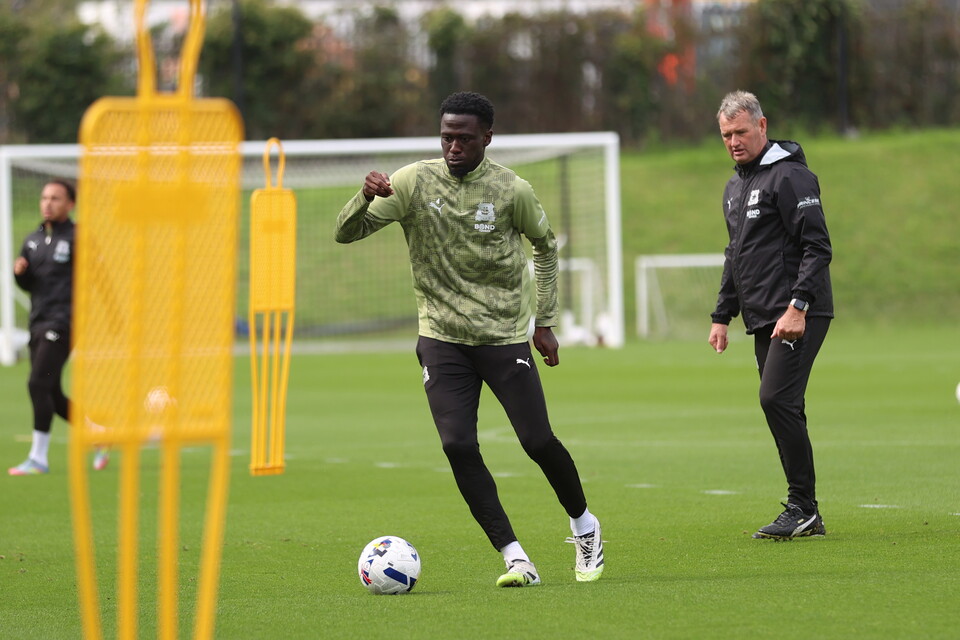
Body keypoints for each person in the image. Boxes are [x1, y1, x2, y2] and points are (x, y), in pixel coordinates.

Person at [335, 91, 603, 586]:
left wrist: (544, 322)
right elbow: (344, 234)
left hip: (502, 336)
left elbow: (545, 248)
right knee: (458, 444)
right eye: (447, 136)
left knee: (537, 440)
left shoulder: (511, 189)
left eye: (464, 137)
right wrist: (364, 196)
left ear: (487, 138)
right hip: (441, 336)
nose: (454, 146)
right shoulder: (413, 182)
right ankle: (515, 557)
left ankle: (584, 525)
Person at [709, 91, 834, 540]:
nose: (733, 141)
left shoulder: (791, 177)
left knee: (775, 399)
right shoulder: (735, 186)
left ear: (762, 126)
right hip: (765, 317)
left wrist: (798, 306)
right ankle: (807, 513)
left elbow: (818, 246)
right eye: (726, 134)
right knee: (783, 404)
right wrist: (722, 314)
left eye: (741, 131)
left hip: (799, 311)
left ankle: (803, 506)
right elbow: (735, 255)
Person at [8, 180, 109, 475]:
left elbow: (100, 279)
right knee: (50, 391)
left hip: (65, 323)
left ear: (70, 204)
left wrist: (110, 319)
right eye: (44, 198)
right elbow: (29, 285)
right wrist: (20, 274)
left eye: (55, 198)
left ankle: (38, 458)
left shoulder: (79, 237)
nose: (47, 203)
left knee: (37, 383)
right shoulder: (33, 240)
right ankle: (99, 433)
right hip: (38, 322)